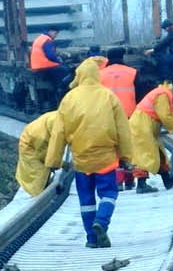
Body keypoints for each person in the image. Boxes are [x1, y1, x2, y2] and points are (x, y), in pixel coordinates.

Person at [44, 56, 134, 249]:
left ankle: (91, 239)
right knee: (109, 193)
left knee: (86, 199)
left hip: (81, 161)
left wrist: (53, 162)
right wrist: (127, 157)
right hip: (106, 159)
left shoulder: (69, 99)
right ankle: (101, 222)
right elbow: (123, 130)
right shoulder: (108, 96)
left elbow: (59, 133)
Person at [130, 81, 173, 193]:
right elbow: (165, 115)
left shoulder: (167, 95)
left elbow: (172, 114)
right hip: (142, 125)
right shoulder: (163, 95)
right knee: (144, 155)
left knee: (159, 153)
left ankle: (167, 180)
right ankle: (141, 185)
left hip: (147, 125)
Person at [98, 46, 140, 189]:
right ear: (123, 57)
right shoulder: (133, 72)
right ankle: (129, 180)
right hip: (129, 115)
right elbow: (140, 95)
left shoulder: (100, 74)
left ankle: (117, 181)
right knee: (128, 147)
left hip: (107, 116)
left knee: (112, 148)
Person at [15, 110, 61, 197]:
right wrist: (60, 164)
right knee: (40, 172)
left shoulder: (56, 119)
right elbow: (43, 156)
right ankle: (38, 195)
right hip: (29, 147)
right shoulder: (41, 137)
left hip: (32, 138)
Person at [28, 26, 63, 111]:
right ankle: (60, 92)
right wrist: (58, 61)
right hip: (45, 66)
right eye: (55, 34)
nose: (55, 36)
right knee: (64, 71)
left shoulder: (40, 38)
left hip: (37, 66)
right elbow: (50, 55)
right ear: (50, 31)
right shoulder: (47, 40)